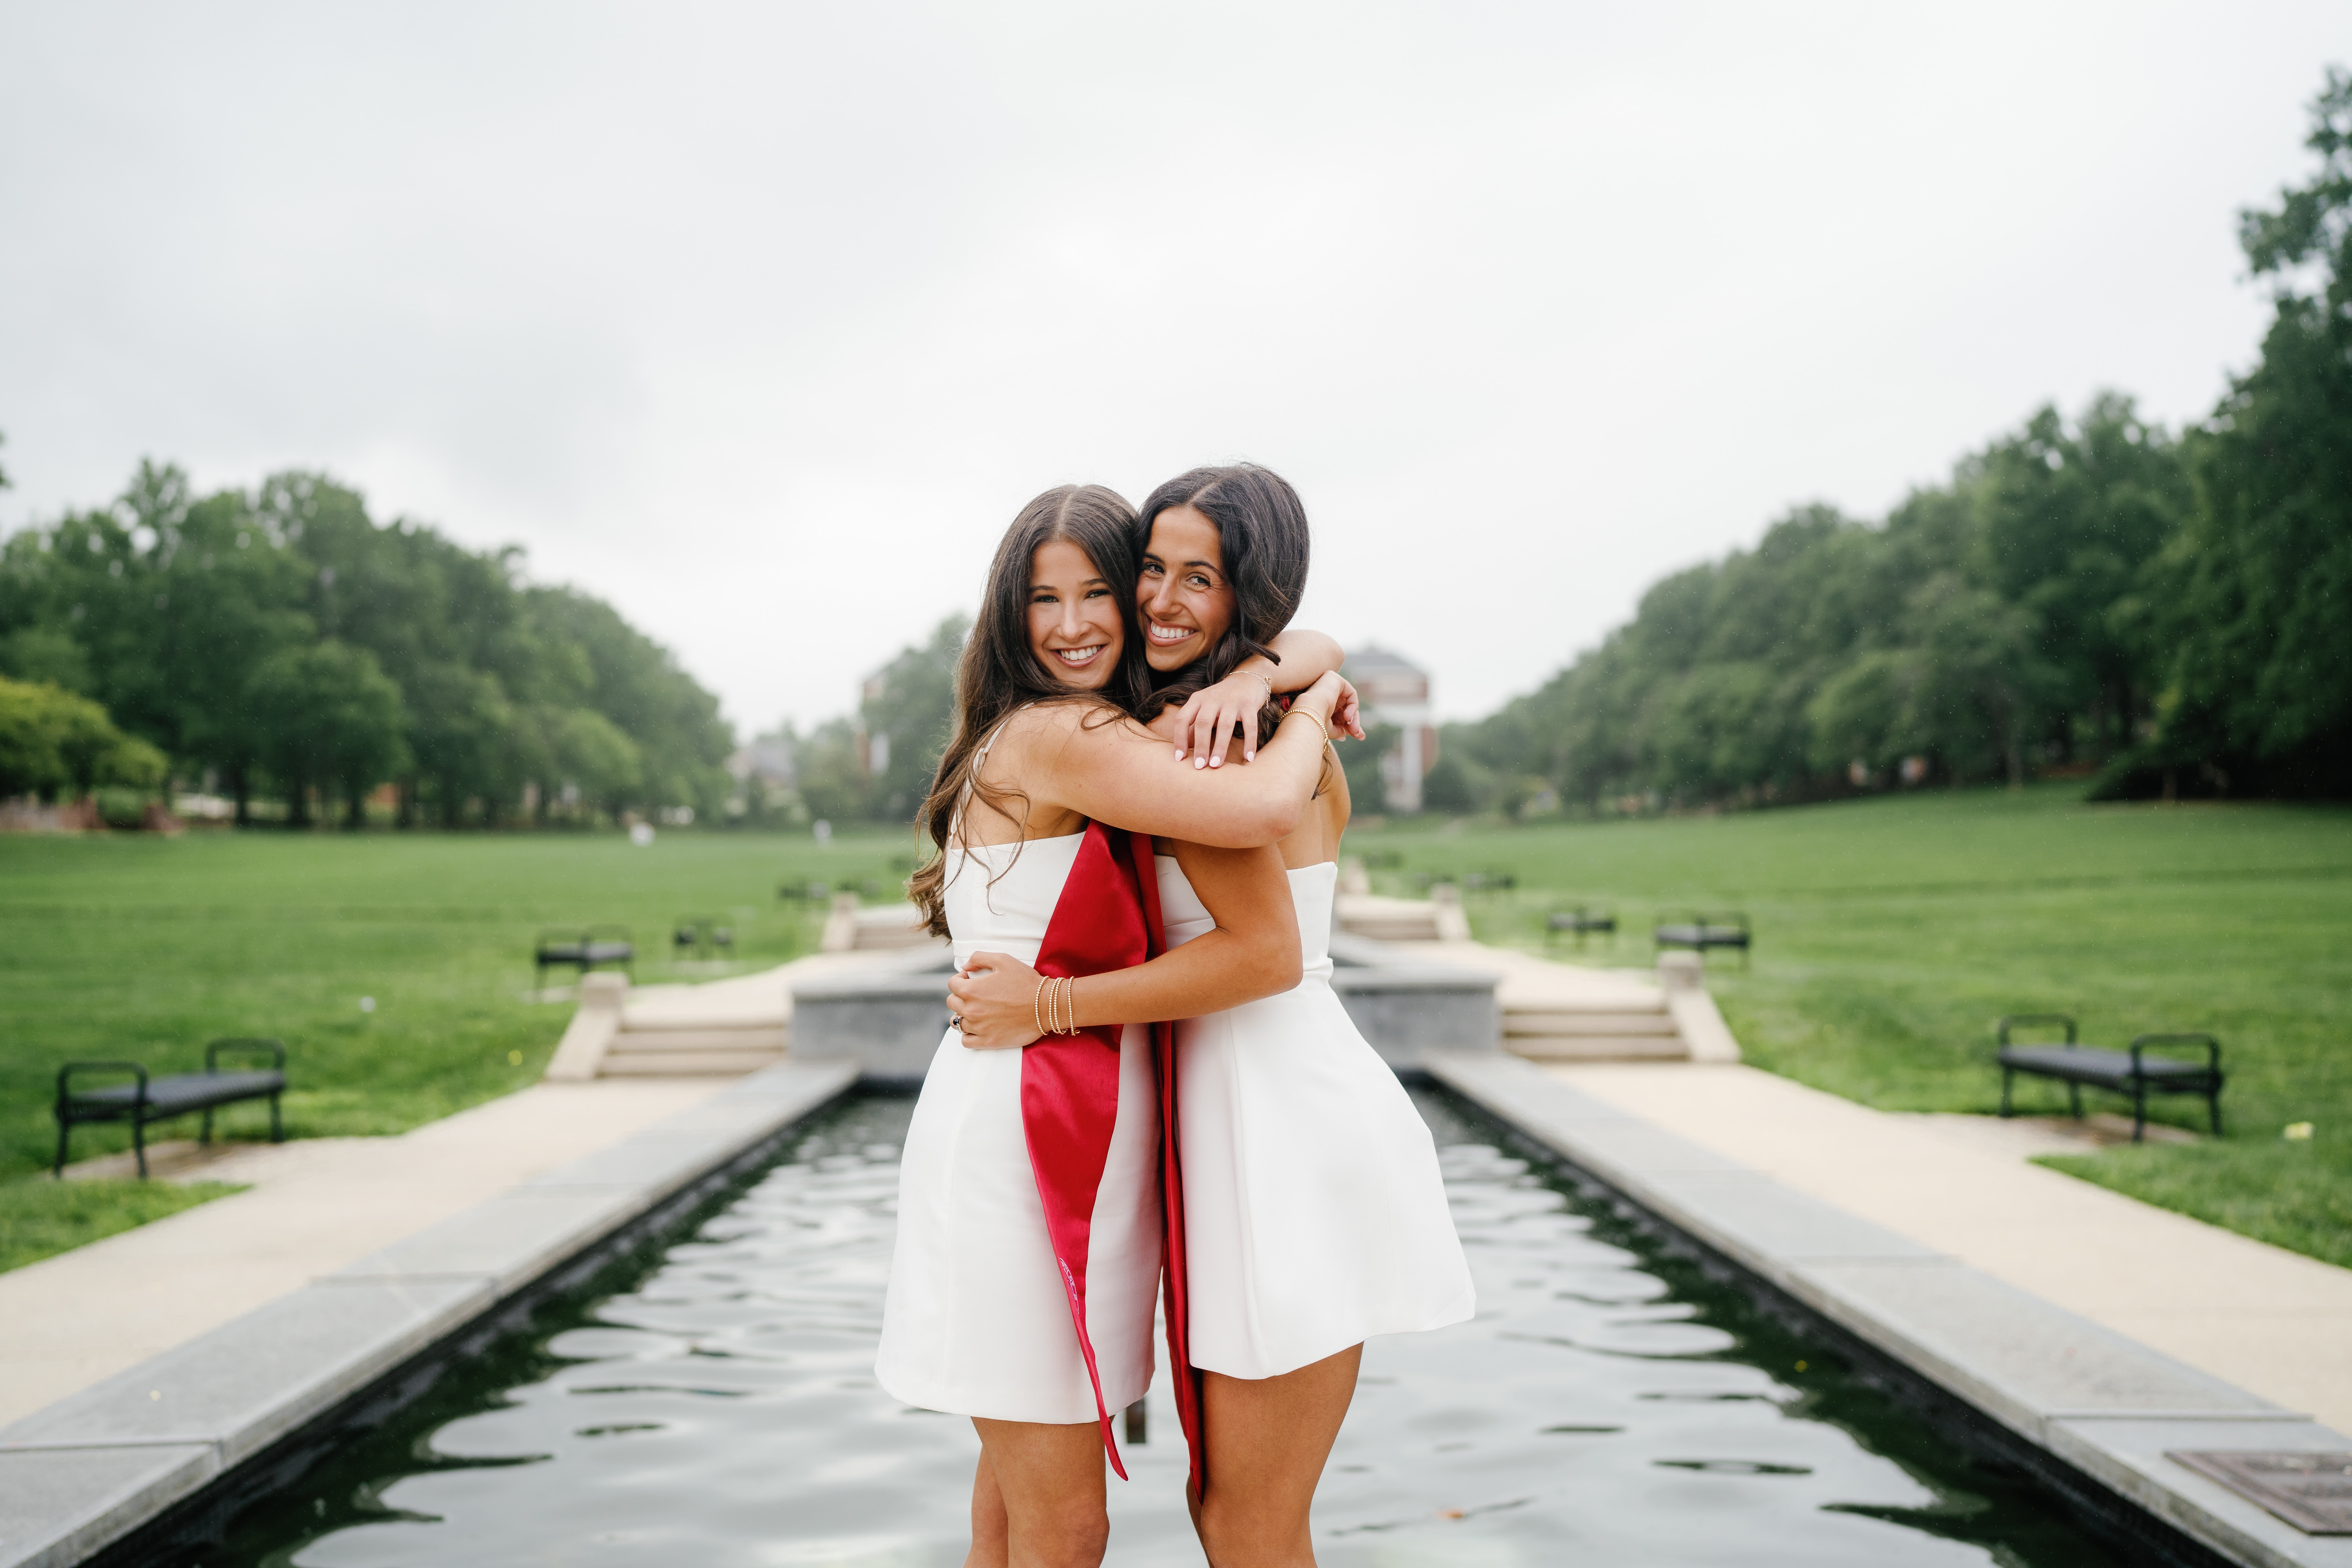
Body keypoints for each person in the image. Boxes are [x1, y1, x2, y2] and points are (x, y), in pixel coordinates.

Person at [876, 482, 1351, 1568]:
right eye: (1045, 599)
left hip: (1073, 1116)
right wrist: (1311, 698)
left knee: (1011, 1515)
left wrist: (1277, 675)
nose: (1080, 621)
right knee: (1064, 1527)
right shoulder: (1065, 733)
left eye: (1103, 588)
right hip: (1027, 1125)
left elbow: (1302, 636)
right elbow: (1257, 809)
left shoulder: (1117, 729)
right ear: (1008, 613)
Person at [1138, 463, 1475, 1566]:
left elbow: (1265, 955)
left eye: (1203, 577)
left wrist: (1050, 1006)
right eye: (1153, 567)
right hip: (1255, 1112)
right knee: (1235, 1515)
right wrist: (1301, 666)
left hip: (1276, 1121)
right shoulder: (1260, 716)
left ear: (1255, 595)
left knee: (1248, 1524)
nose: (1163, 599)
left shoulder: (1229, 739)